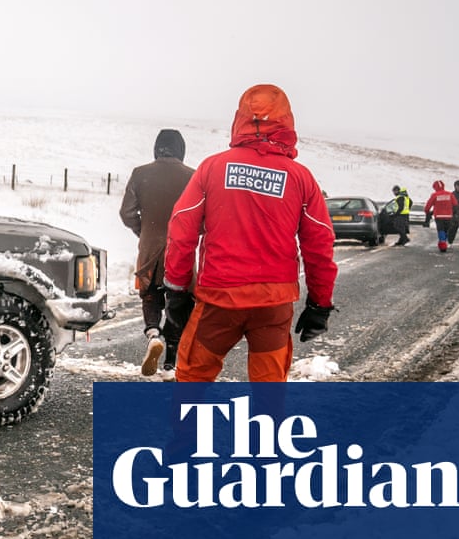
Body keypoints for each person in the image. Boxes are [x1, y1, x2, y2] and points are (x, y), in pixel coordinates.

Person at [162, 84, 338, 382]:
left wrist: (177, 289)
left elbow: (182, 227)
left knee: (194, 378)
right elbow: (319, 243)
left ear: (240, 119)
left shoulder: (212, 168)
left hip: (219, 298)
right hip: (273, 303)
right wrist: (320, 303)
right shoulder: (300, 178)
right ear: (287, 122)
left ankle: (190, 429)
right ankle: (264, 429)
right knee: (269, 390)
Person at [119, 129, 195, 378]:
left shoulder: (140, 174)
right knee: (179, 301)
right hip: (180, 251)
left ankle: (153, 333)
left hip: (150, 248)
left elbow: (126, 213)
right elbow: (203, 218)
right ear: (180, 150)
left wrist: (145, 232)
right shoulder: (192, 177)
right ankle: (170, 361)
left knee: (150, 294)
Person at [424, 180, 457, 252]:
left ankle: (442, 244)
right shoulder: (450, 194)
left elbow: (428, 205)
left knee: (441, 230)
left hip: (439, 216)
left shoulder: (434, 195)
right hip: (449, 216)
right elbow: (455, 204)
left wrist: (427, 212)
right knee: (446, 230)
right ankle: (444, 241)